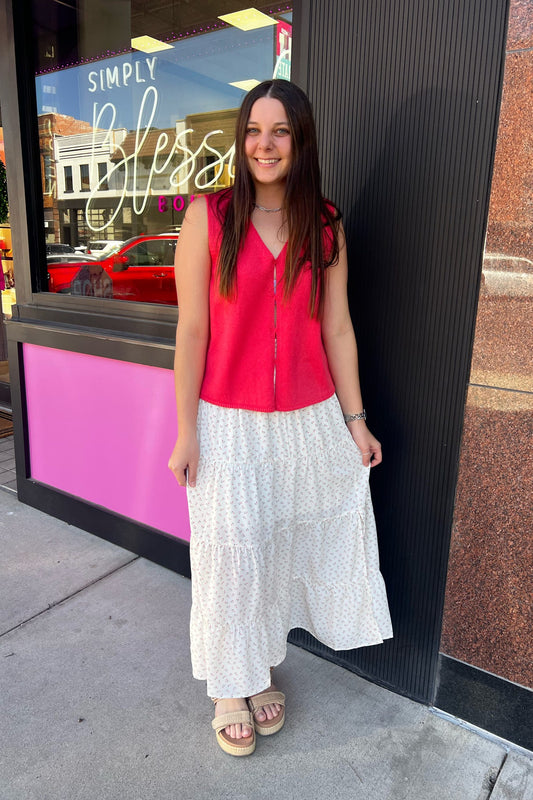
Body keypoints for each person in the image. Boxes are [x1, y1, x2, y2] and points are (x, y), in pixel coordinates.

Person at [168, 79, 392, 757]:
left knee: (279, 550)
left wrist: (354, 419)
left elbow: (338, 329)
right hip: (227, 420)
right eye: (253, 131)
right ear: (241, 141)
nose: (263, 145)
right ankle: (227, 688)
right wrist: (186, 430)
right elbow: (191, 332)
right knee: (232, 559)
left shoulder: (324, 223)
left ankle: (259, 667)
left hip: (306, 418)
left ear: (300, 141)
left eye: (280, 131)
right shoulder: (208, 215)